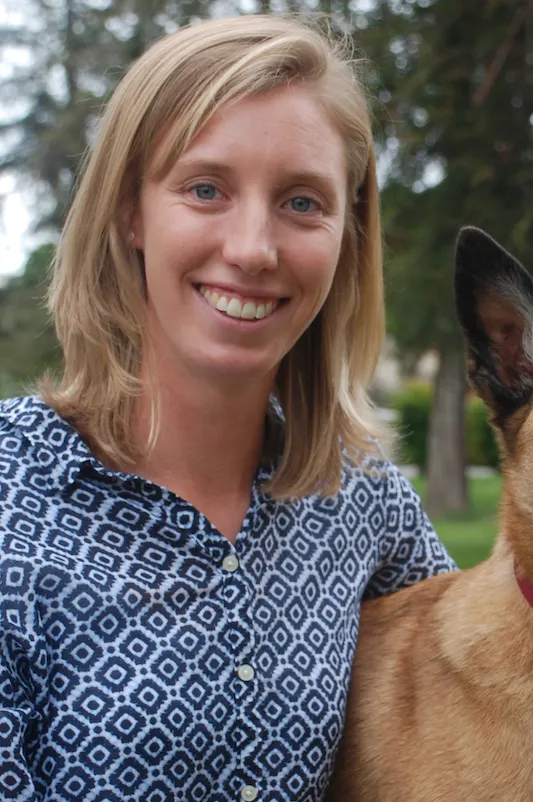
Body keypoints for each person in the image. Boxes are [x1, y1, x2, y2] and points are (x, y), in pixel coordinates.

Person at [0, 14, 456, 801]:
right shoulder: (10, 494)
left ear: (349, 236)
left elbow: (487, 696)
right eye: (205, 188)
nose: (253, 248)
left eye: (302, 202)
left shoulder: (366, 506)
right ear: (128, 211)